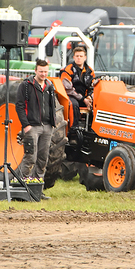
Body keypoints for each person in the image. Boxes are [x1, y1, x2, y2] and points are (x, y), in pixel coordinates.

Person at [15, 59, 56, 199]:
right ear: (35, 71)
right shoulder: (26, 85)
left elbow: (52, 106)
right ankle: (21, 188)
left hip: (47, 127)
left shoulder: (50, 86)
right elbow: (19, 106)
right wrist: (26, 125)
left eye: (45, 71)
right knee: (30, 157)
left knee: (43, 159)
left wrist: (52, 123)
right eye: (41, 71)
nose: (43, 74)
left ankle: (37, 190)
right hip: (32, 127)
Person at [60, 46, 95, 129]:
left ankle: (92, 128)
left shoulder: (90, 71)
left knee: (96, 104)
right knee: (73, 104)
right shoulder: (67, 70)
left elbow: (92, 86)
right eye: (77, 56)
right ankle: (73, 130)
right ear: (74, 57)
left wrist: (90, 97)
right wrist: (83, 99)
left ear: (85, 58)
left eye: (81, 56)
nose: (79, 58)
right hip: (70, 96)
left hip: (84, 97)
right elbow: (69, 90)